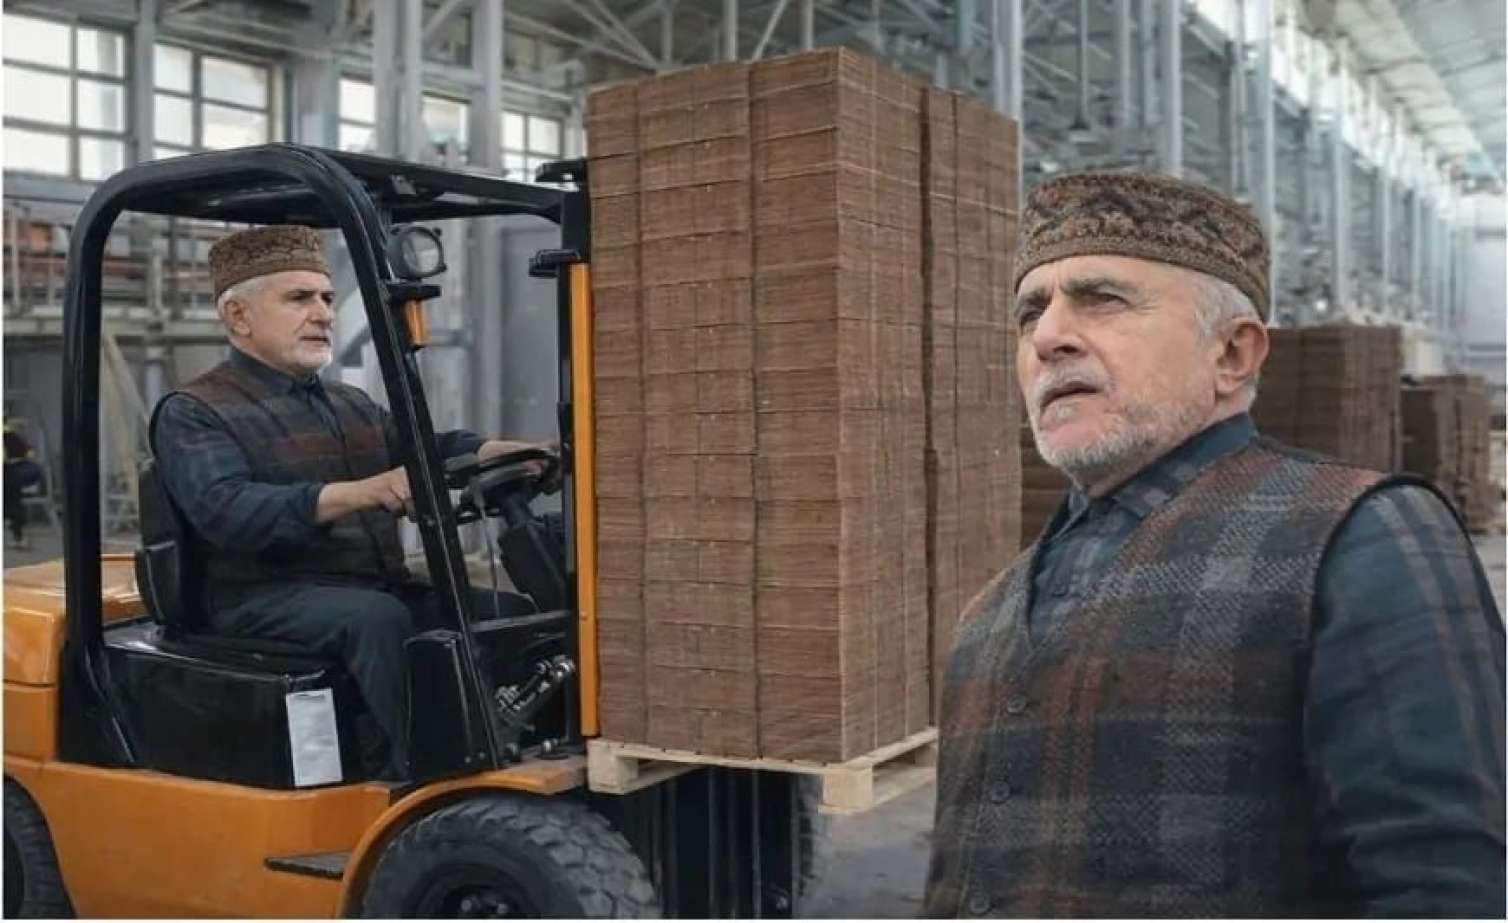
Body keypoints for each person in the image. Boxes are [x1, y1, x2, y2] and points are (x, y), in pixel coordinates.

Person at [924, 173, 1505, 917]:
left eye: (1102, 299)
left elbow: (1446, 885)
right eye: (1029, 311)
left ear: (1232, 354)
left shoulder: (1361, 539)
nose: (1047, 337)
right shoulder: (991, 612)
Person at [152, 225, 549, 777]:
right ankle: (424, 774)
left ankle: (520, 745)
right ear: (238, 317)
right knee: (378, 621)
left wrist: (496, 451)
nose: (323, 314)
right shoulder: (195, 411)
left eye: (326, 298)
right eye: (299, 298)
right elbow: (230, 512)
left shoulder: (348, 402)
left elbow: (422, 447)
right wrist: (364, 491)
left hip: (367, 583)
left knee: (510, 616)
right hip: (256, 596)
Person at [3, 419, 43, 550]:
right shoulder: (8, 432)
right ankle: (18, 536)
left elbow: (27, 453)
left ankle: (18, 535)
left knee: (11, 495)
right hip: (14, 472)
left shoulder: (8, 433)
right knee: (11, 497)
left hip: (16, 470)